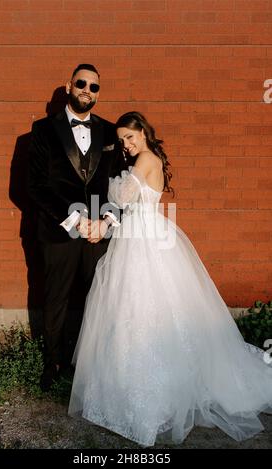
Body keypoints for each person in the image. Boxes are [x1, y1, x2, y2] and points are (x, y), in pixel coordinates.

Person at [68, 111, 272, 446]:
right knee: (130, 310)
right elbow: (124, 207)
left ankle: (147, 401)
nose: (126, 145)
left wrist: (103, 217)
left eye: (130, 137)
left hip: (144, 241)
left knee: (144, 308)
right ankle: (123, 390)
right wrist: (106, 221)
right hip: (136, 235)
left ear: (144, 133)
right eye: (121, 140)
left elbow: (123, 201)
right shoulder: (145, 159)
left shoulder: (146, 158)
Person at [27, 64, 125, 391]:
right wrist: (75, 220)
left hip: (99, 231)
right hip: (59, 230)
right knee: (55, 299)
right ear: (68, 85)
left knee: (99, 299)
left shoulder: (112, 133)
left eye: (94, 87)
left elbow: (122, 184)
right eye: (81, 83)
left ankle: (92, 367)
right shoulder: (41, 131)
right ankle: (52, 364)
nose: (87, 90)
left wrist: (106, 220)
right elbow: (34, 186)